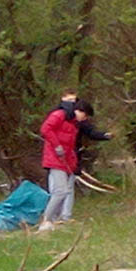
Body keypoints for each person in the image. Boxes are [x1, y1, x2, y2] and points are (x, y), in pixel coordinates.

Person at [38, 98, 98, 231]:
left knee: (62, 192)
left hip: (64, 161)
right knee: (61, 191)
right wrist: (56, 145)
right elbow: (45, 129)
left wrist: (73, 165)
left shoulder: (73, 124)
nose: (85, 119)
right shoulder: (60, 114)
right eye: (85, 115)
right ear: (80, 111)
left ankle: (55, 221)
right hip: (54, 159)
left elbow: (70, 147)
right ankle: (46, 220)